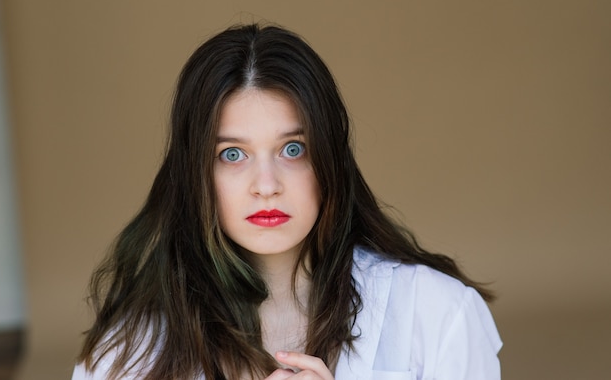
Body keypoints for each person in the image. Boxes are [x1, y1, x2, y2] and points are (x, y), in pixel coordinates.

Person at [72, 23, 502, 380]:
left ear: (329, 159)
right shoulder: (126, 356)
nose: (266, 185)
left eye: (292, 149)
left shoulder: (437, 314)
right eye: (232, 154)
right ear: (195, 175)